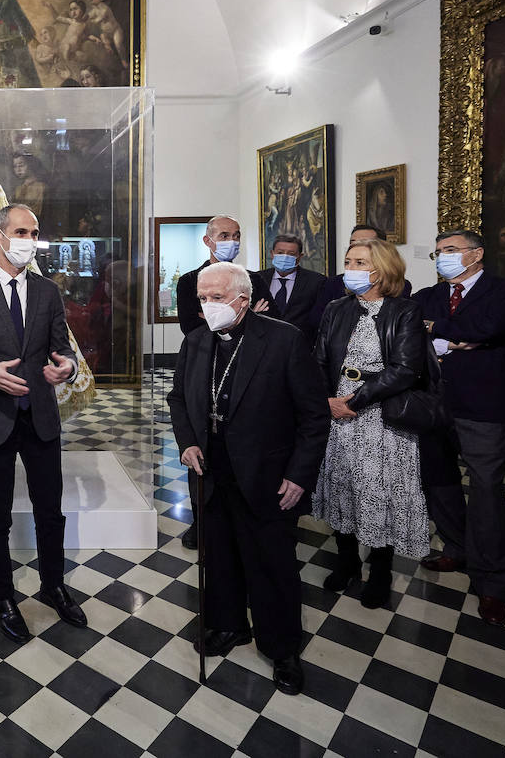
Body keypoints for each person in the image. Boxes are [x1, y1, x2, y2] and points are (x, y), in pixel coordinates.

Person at [167, 262, 329, 695]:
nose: (206, 307)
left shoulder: (284, 341)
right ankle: (228, 625)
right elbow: (179, 398)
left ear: (242, 299)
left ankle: (282, 648)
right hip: (212, 471)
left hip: (268, 474)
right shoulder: (198, 341)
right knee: (219, 555)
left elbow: (314, 418)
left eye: (216, 298)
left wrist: (299, 475)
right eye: (202, 299)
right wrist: (187, 443)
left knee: (271, 564)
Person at [0, 204, 86, 643]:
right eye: (20, 231)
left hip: (40, 417)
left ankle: (53, 585)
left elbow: (64, 352)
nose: (28, 239)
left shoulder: (48, 293)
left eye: (34, 232)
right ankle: (3, 596)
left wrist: (68, 369)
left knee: (50, 511)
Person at [412, 229, 505, 626]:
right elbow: (413, 328)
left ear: (477, 253)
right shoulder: (427, 296)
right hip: (432, 404)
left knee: (486, 489)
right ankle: (456, 546)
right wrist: (452, 337)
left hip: (482, 405)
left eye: (451, 251)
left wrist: (438, 331)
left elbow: (486, 328)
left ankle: (492, 582)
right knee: (437, 479)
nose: (443, 257)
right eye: (439, 252)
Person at [313, 240, 430, 609]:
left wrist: (356, 400)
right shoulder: (336, 308)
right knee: (341, 484)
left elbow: (406, 369)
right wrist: (325, 402)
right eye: (348, 261)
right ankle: (347, 560)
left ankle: (380, 568)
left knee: (379, 490)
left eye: (359, 262)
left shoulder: (405, 311)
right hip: (336, 410)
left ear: (380, 270)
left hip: (381, 415)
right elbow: (317, 360)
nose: (350, 267)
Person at [175, 214, 269, 548]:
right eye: (225, 234)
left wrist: (248, 318)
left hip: (250, 371)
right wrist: (242, 314)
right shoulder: (189, 280)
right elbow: (192, 325)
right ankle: (200, 522)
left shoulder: (254, 277)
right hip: (205, 366)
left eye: (237, 234)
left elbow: (266, 326)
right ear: (209, 240)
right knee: (201, 447)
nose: (232, 240)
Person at [307, 225, 413, 335]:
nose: (356, 246)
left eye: (360, 262)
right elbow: (317, 322)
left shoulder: (405, 305)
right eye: (347, 262)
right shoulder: (334, 289)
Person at [257, 233, 327, 342]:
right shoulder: (258, 278)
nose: (285, 257)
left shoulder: (317, 282)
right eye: (280, 253)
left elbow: (320, 320)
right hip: (263, 343)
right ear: (272, 254)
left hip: (300, 346)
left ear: (299, 257)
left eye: (291, 254)